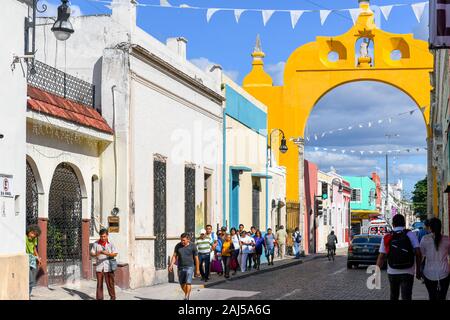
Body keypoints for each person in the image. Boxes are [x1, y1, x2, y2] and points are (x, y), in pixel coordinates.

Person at [376, 214, 421, 301]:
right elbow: (418, 253)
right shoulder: (410, 234)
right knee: (407, 297)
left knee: (394, 295)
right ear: (404, 223)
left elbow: (381, 256)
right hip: (408, 271)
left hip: (392, 271)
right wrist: (418, 270)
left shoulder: (387, 236)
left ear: (393, 224)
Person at [419, 218, 450, 300]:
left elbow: (421, 255)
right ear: (441, 227)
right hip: (444, 272)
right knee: (442, 297)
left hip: (429, 272)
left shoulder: (424, 239)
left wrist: (418, 270)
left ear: (430, 227)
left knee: (432, 296)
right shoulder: (447, 239)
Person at [169, 233, 201, 300]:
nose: (182, 242)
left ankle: (187, 297)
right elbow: (174, 256)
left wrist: (197, 269)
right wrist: (171, 265)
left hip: (190, 266)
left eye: (183, 240)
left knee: (188, 282)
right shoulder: (178, 246)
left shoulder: (193, 246)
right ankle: (187, 294)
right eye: (181, 240)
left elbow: (196, 259)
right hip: (180, 267)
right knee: (182, 283)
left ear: (188, 239)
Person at [90, 228, 118, 300]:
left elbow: (115, 254)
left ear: (107, 236)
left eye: (104, 236)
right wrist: (97, 253)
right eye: (101, 236)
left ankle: (112, 297)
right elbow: (92, 254)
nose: (103, 238)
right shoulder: (96, 243)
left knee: (110, 284)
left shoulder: (111, 243)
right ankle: (99, 298)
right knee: (99, 284)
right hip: (99, 266)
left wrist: (107, 253)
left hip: (109, 266)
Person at [26, 225, 42, 298]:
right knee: (30, 279)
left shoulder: (34, 238)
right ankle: (27, 296)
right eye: (32, 233)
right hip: (25, 259)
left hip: (32, 259)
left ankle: (28, 295)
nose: (33, 236)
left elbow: (34, 248)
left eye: (35, 235)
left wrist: (38, 257)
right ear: (29, 231)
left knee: (32, 280)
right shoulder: (24, 237)